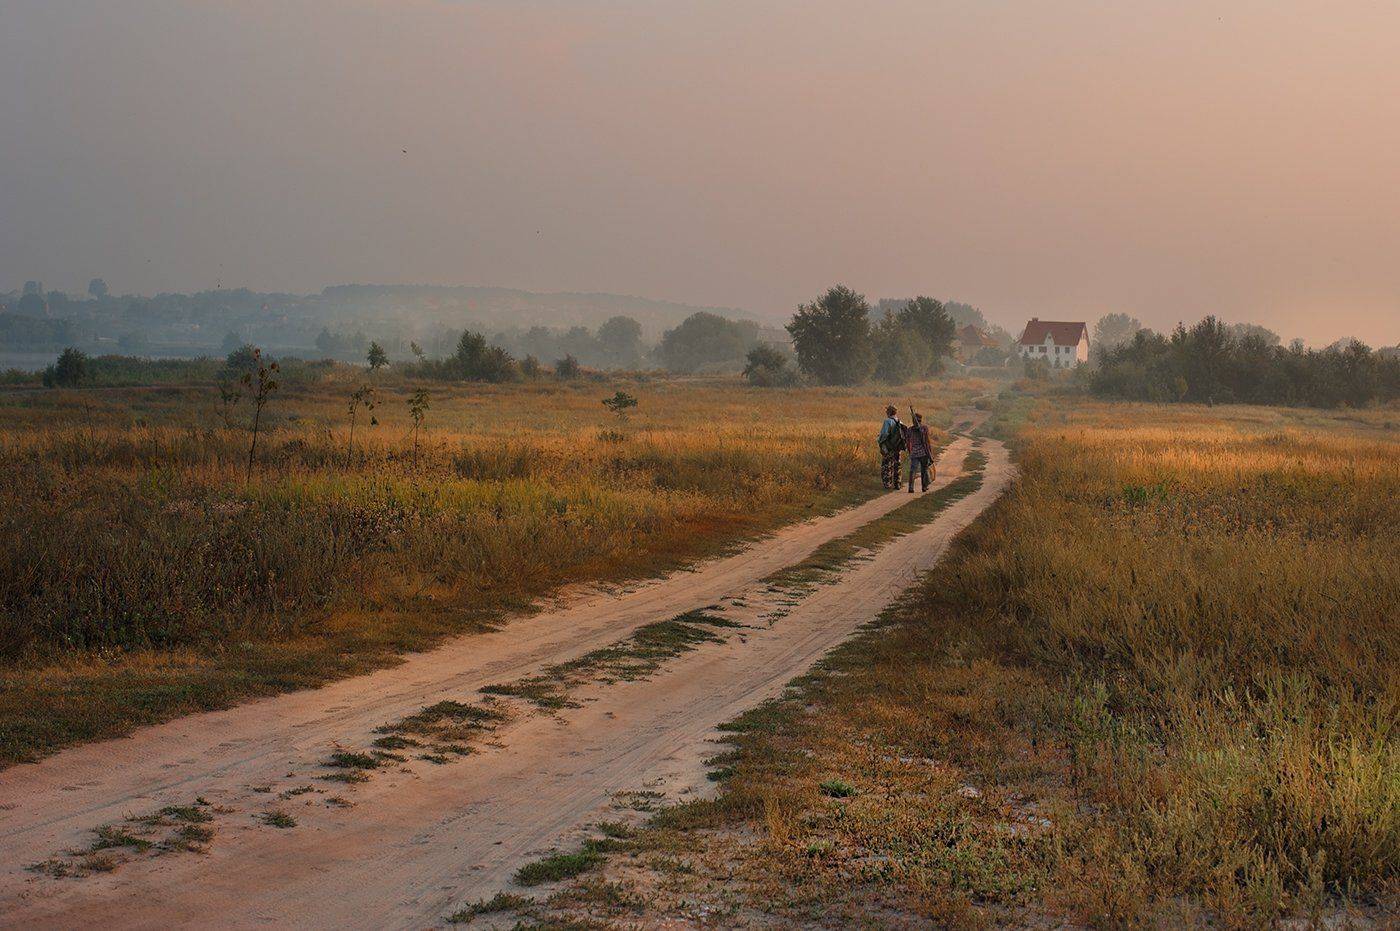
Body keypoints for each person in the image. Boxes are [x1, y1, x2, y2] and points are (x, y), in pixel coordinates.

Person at [877, 405, 905, 490]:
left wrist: (880, 440)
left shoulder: (887, 421)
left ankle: (888, 484)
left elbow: (885, 434)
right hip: (898, 447)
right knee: (897, 465)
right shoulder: (900, 422)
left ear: (889, 412)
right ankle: (898, 484)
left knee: (887, 465)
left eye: (887, 411)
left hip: (889, 447)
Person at [906, 411, 934, 493]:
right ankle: (924, 487)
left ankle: (911, 488)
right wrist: (930, 453)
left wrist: (909, 451)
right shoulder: (924, 428)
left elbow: (908, 441)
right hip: (923, 453)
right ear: (920, 420)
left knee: (913, 470)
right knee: (923, 470)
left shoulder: (910, 429)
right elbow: (927, 442)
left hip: (914, 453)